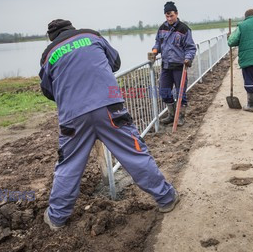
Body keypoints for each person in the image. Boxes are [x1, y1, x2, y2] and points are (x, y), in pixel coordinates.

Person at [39, 19, 179, 231]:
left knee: (68, 165)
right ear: (71, 28)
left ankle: (57, 218)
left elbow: (48, 90)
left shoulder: (49, 54)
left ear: (52, 37)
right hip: (109, 108)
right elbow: (115, 62)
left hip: (73, 118)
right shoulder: (92, 36)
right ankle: (166, 198)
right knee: (134, 154)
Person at [149, 1, 197, 126]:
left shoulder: (184, 29)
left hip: (180, 66)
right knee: (164, 91)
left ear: (176, 13)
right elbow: (158, 43)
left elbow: (191, 48)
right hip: (166, 66)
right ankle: (171, 114)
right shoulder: (162, 28)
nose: (169, 18)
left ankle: (180, 116)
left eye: (171, 15)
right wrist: (154, 52)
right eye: (167, 16)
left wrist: (188, 59)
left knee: (181, 93)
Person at [227, 9, 253, 112]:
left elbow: (232, 42)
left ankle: (251, 106)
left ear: (245, 16)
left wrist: (229, 37)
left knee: (250, 82)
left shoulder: (242, 26)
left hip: (248, 59)